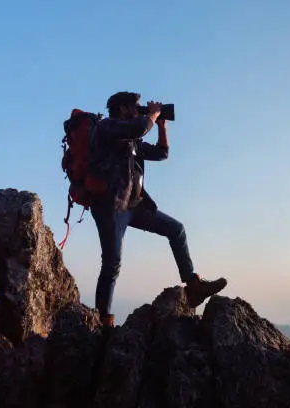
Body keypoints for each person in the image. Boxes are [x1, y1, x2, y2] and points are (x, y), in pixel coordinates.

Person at [89, 91, 227, 328]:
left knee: (176, 230)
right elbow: (139, 128)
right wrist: (151, 115)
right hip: (110, 207)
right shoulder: (106, 128)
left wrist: (161, 126)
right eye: (136, 106)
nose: (140, 110)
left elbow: (162, 153)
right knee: (112, 263)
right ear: (122, 108)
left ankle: (193, 287)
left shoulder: (132, 139)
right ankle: (103, 320)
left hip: (134, 205)